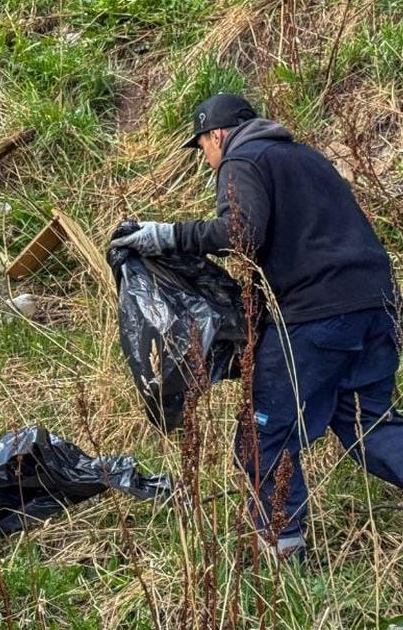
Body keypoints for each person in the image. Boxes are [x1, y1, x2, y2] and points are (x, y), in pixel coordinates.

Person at [112, 93, 403, 559]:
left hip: (316, 316)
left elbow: (241, 234)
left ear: (217, 134)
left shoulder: (242, 157)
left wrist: (166, 235)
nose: (207, 160)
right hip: (379, 308)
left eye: (202, 147)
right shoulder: (307, 157)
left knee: (260, 435)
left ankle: (285, 557)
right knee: (370, 428)